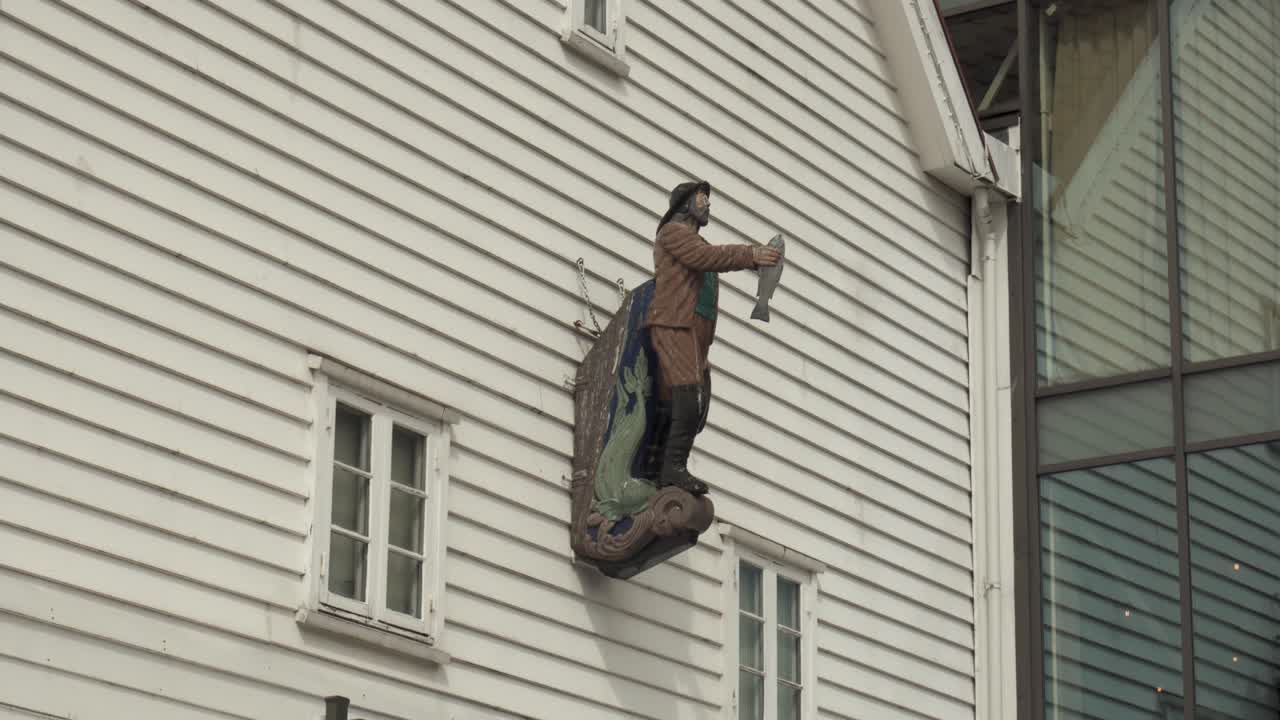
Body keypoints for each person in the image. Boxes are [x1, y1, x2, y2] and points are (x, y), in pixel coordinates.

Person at [645, 181, 780, 495]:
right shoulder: (674, 233)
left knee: (696, 401)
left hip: (693, 331)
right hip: (673, 324)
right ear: (686, 203)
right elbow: (706, 258)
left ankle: (669, 465)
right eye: (702, 199)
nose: (707, 205)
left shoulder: (694, 241)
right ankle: (671, 469)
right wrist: (751, 254)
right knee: (688, 398)